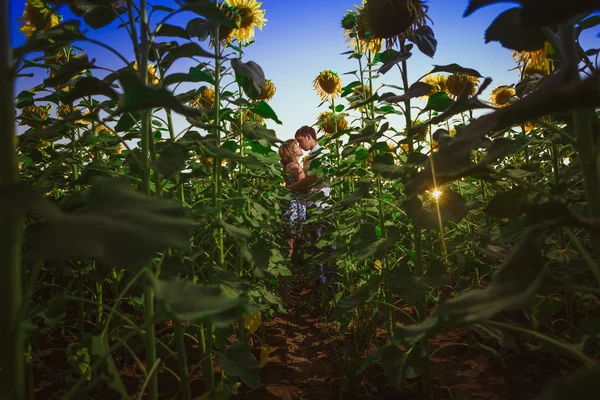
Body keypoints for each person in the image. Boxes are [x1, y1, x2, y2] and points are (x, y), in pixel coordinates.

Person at [287, 126, 337, 294]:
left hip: (321, 208)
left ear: (308, 136)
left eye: (300, 141)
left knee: (326, 251)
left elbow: (314, 179)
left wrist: (291, 187)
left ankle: (329, 292)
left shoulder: (321, 154)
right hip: (314, 207)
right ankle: (322, 291)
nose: (300, 146)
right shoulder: (313, 156)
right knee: (318, 250)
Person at [278, 139, 307, 258]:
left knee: (290, 240)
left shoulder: (287, 166)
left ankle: (285, 270)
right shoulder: (295, 166)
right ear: (292, 151)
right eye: (296, 145)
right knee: (291, 241)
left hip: (291, 203)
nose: (299, 147)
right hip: (296, 205)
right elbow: (303, 184)